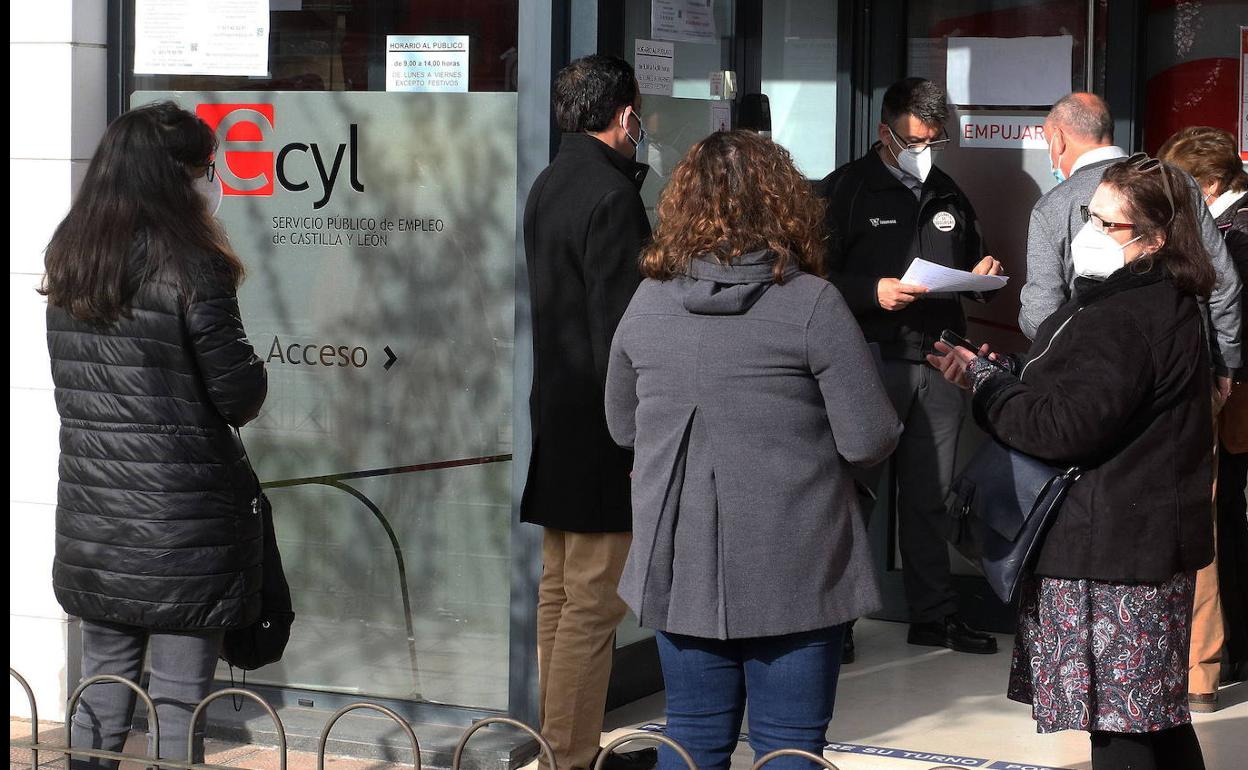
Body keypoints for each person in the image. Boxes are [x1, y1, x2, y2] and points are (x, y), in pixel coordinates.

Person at [605, 130, 902, 770]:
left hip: (681, 557)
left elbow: (621, 426)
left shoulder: (648, 301)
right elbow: (869, 436)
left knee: (691, 738)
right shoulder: (812, 304)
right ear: (785, 205)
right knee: (790, 745)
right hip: (797, 557)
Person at [930, 155, 1213, 770]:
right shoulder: (1155, 300)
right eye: (1089, 214)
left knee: (1121, 729)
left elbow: (1064, 427)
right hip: (1135, 544)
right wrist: (996, 374)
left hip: (1108, 554)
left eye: (1108, 223)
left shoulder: (1124, 316)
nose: (1089, 231)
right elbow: (1083, 400)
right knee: (1156, 719)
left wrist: (987, 390)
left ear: (1155, 238)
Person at [39, 102, 268, 770]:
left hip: (96, 515)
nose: (211, 180)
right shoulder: (193, 261)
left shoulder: (72, 254)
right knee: (177, 701)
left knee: (102, 690)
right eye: (204, 169)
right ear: (176, 177)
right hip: (182, 524)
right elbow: (237, 392)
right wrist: (256, 369)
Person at [815, 77, 1003, 658]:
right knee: (851, 494)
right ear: (884, 133)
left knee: (931, 496)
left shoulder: (948, 193)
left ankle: (934, 616)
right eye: (913, 141)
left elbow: (969, 263)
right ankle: (834, 622)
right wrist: (872, 292)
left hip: (938, 359)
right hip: (867, 359)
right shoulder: (845, 190)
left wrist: (983, 279)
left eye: (933, 141)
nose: (923, 152)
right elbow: (809, 282)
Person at [519, 55, 654, 770]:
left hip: (558, 416)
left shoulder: (548, 183)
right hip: (603, 426)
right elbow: (621, 332)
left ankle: (558, 744)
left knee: (561, 592)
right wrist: (635, 436)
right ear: (625, 114)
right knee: (593, 604)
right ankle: (568, 756)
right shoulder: (612, 197)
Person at [1019, 93, 1242, 388]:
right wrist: (1224, 363)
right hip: (1186, 375)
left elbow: (1040, 317)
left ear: (1058, 140)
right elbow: (1222, 281)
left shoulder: (1053, 206)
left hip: (1093, 384)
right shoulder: (1177, 182)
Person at [1158, 125, 1248, 709]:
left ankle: (1215, 655)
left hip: (1234, 389)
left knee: (1222, 516)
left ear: (1210, 184)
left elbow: (1227, 307)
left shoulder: (1233, 234)